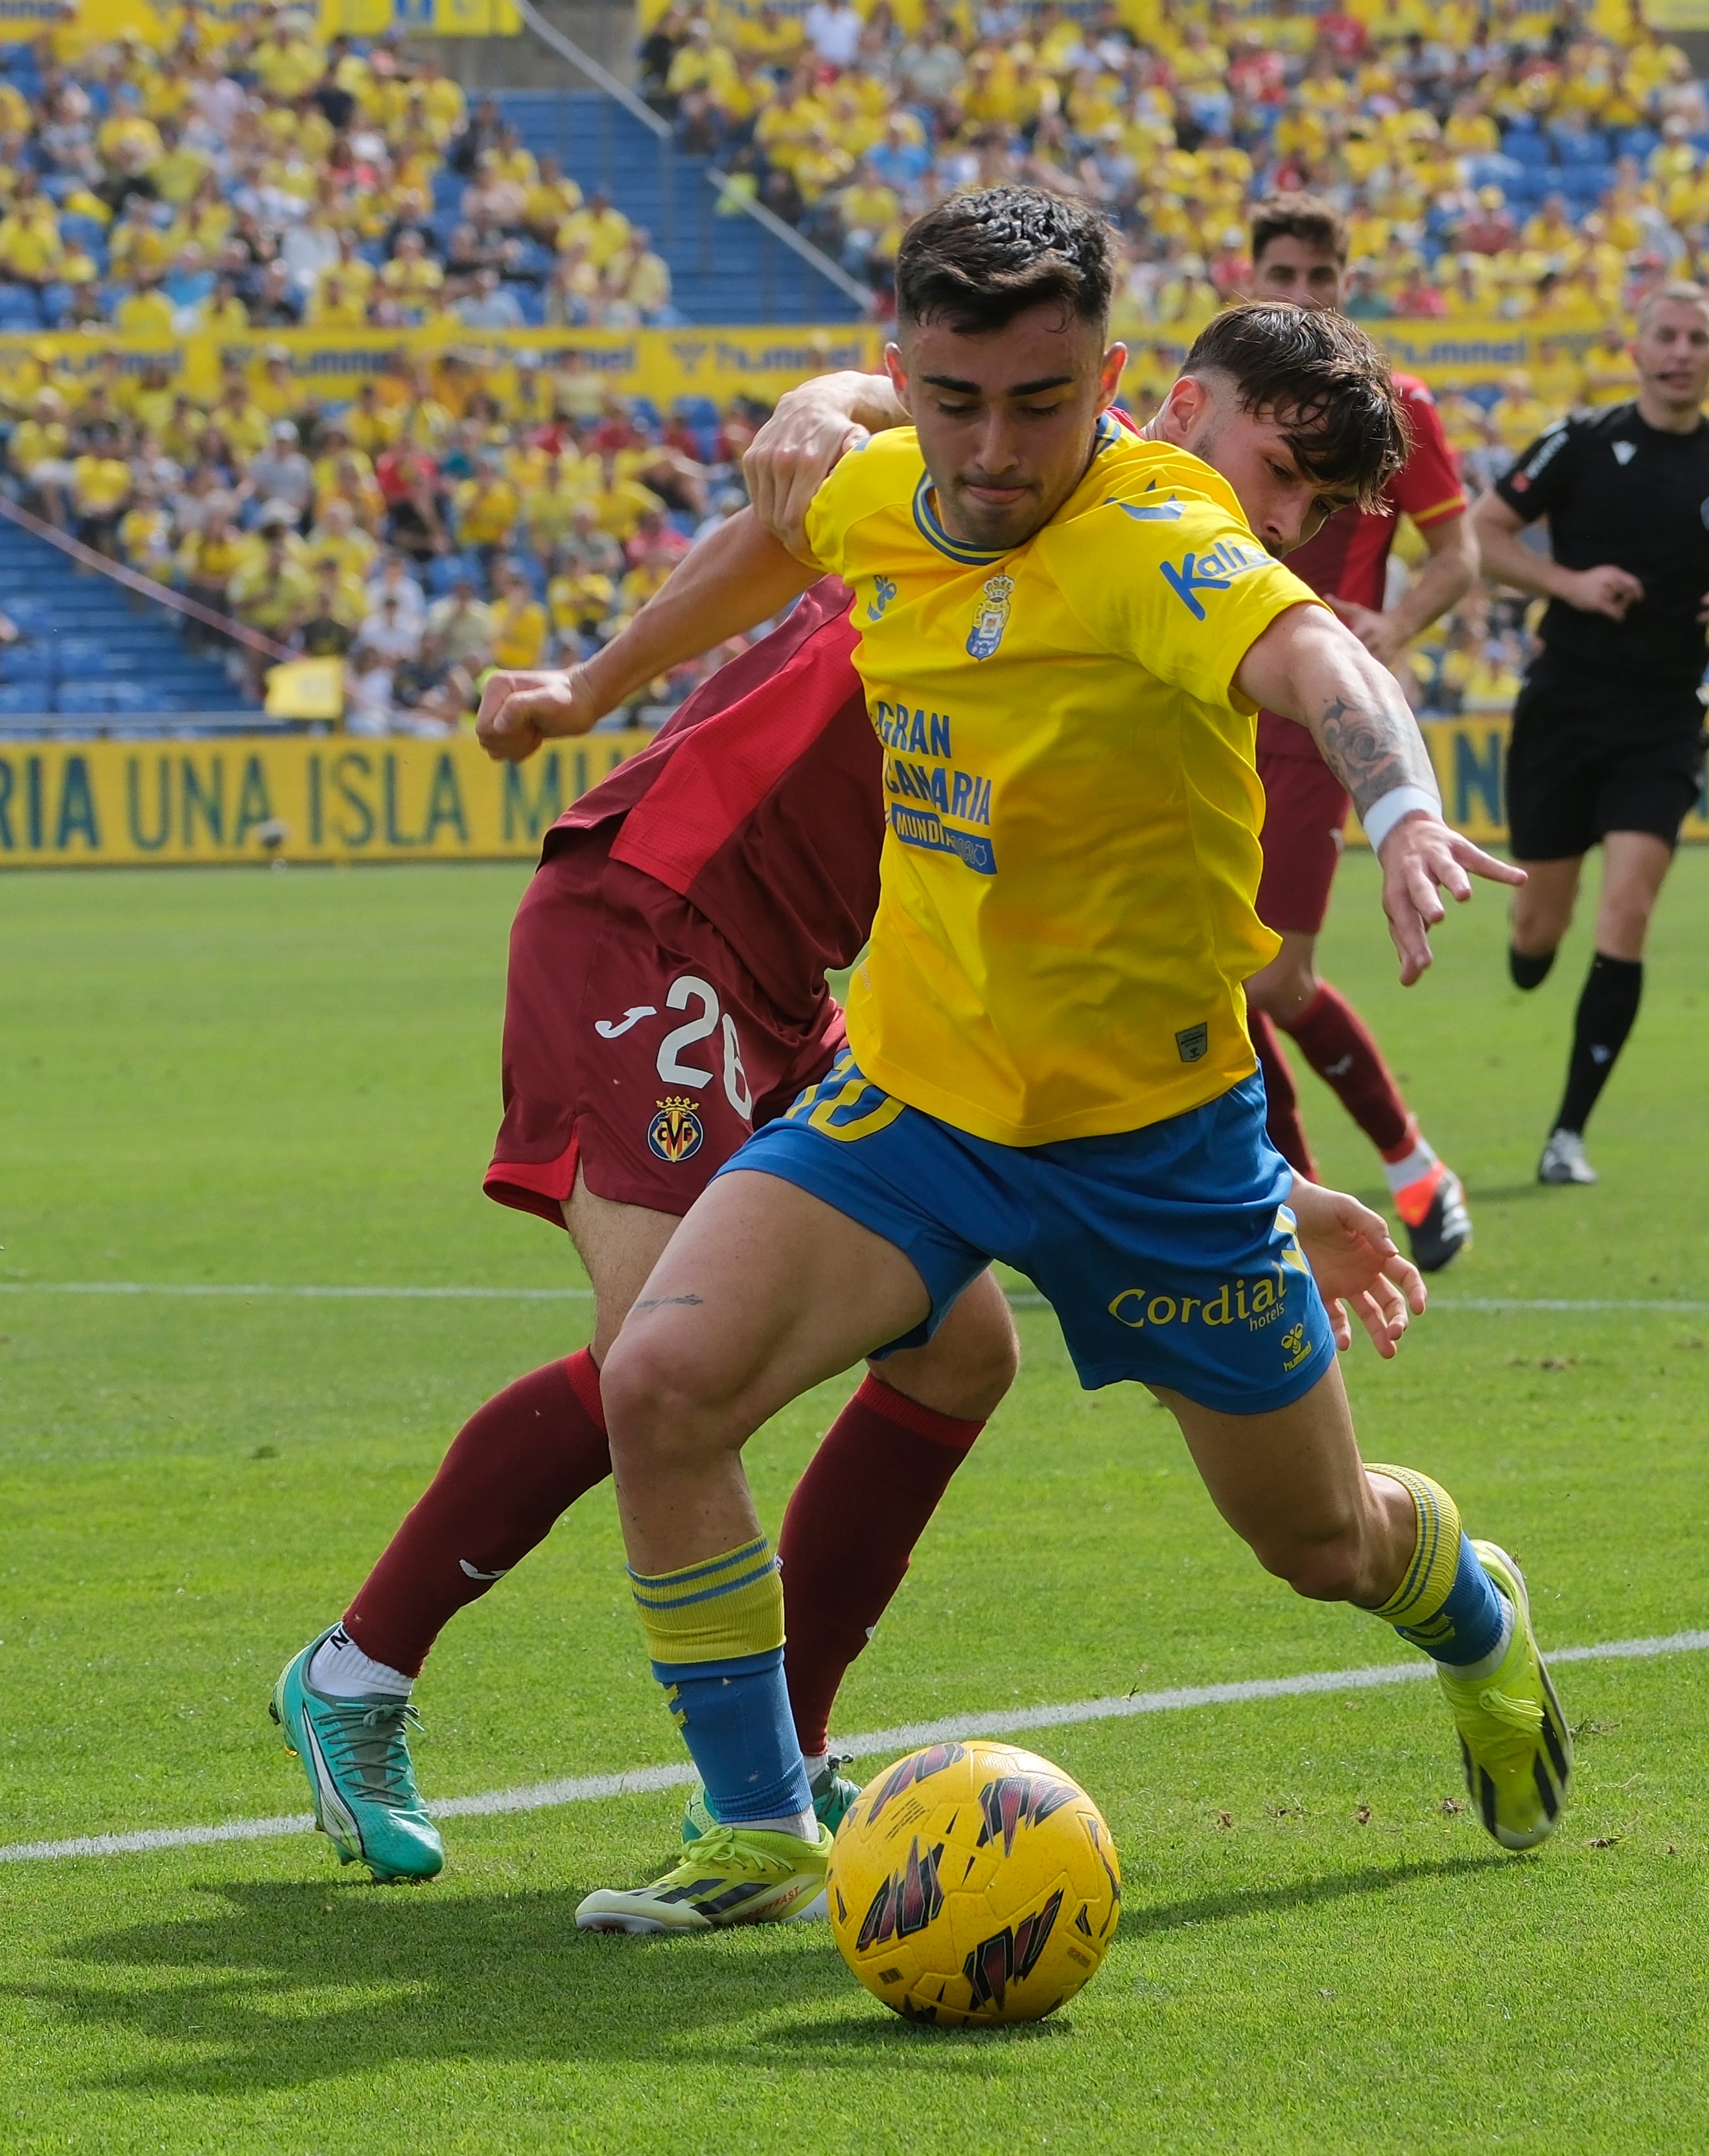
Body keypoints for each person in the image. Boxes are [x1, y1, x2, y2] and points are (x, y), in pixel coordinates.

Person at [269, 297, 1436, 1890]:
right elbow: (829, 441)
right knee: (662, 1366)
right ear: (1164, 403)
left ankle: (784, 1755)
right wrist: (604, 672)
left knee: (959, 1349)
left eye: (1315, 510)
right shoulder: (999, 479)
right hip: (661, 915)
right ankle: (362, 1672)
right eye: (1272, 470)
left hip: (816, 990)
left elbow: (1062, 970)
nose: (1280, 520)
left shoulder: (1153, 582)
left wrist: (1266, 1188)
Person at [522, 194, 1552, 1938]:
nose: (994, 450)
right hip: (909, 1104)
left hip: (1154, 1148)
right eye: (952, 399)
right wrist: (589, 676)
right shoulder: (891, 483)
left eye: (1041, 402)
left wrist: (1398, 803)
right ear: (914, 373)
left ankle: (1474, 1614)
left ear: (1116, 385)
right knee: (663, 1386)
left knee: (1319, 1544)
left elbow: (1311, 655)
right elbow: (785, 532)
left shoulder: (1161, 531)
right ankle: (760, 1816)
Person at [1469, 283, 1709, 1186]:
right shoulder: (1579, 440)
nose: (1681, 351)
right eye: (1666, 335)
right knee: (1539, 929)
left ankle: (1567, 1134)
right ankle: (1530, 948)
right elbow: (1484, 534)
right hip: (1564, 706)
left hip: (1664, 717)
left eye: (1698, 337)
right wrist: (1568, 584)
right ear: (1637, 348)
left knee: (1629, 910)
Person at [1233, 192, 1482, 1269]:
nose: (1299, 296)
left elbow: (1456, 556)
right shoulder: (1219, 400)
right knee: (1212, 974)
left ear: (1345, 284)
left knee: (1266, 982)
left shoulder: (1394, 405)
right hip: (1199, 708)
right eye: (1279, 276)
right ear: (1246, 279)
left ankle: (1400, 1163)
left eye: (1318, 279)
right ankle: (1284, 1208)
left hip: (1305, 723)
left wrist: (1393, 624)